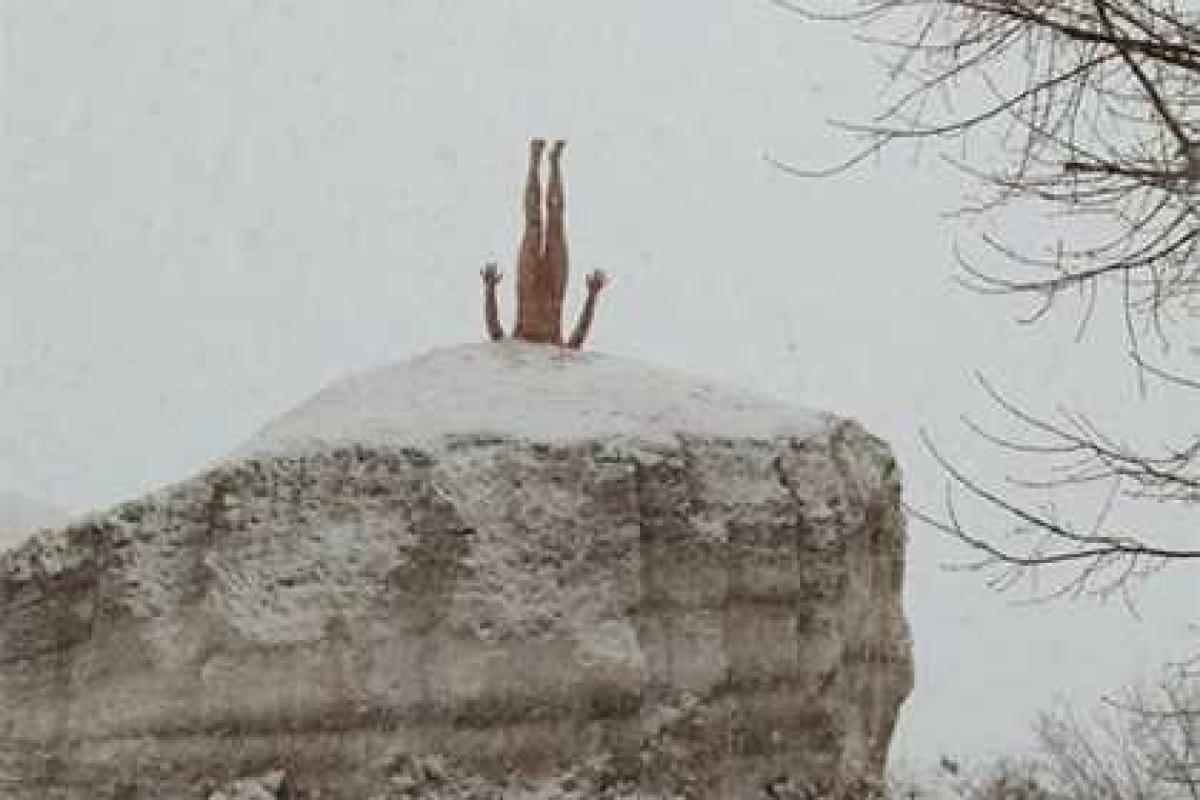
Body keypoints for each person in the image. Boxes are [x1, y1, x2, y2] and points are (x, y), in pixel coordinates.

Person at [482, 139, 608, 348]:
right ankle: (554, 163)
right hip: (554, 288)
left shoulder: (517, 343)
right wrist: (592, 295)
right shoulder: (555, 347)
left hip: (529, 283)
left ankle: (535, 161)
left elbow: (495, 330)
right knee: (555, 222)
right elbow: (578, 338)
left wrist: (489, 290)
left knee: (534, 224)